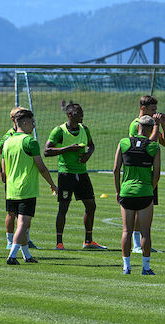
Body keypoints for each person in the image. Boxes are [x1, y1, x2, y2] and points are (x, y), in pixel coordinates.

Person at [44, 103, 105, 250]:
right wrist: (68, 149)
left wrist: (88, 155)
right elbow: (46, 151)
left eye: (82, 113)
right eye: (79, 113)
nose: (82, 116)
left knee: (91, 205)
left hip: (82, 173)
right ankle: (59, 243)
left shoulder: (84, 129)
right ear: (70, 115)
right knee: (63, 207)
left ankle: (88, 241)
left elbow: (91, 145)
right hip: (66, 174)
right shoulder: (59, 131)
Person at [4, 109, 57, 265]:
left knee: (20, 222)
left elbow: (5, 164)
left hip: (11, 188)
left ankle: (26, 255)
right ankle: (12, 255)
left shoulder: (8, 141)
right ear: (25, 123)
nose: (34, 126)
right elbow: (41, 167)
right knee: (23, 224)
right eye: (32, 123)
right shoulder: (30, 142)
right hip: (26, 188)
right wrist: (53, 184)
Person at [113, 115, 161, 275]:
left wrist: (118, 190)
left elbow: (115, 170)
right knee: (145, 232)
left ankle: (126, 267)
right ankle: (146, 268)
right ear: (150, 129)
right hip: (145, 192)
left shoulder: (124, 142)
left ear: (138, 126)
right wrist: (149, 188)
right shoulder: (154, 147)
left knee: (126, 231)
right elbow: (157, 174)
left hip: (126, 192)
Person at [0, 106, 38, 250]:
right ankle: (10, 241)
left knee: (24, 215)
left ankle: (25, 240)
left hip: (23, 179)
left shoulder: (25, 136)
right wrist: (2, 173)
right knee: (12, 213)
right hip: (14, 180)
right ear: (14, 119)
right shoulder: (9, 136)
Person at [128, 95, 165, 253]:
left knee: (147, 209)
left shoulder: (153, 124)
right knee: (139, 209)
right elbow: (147, 145)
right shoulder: (136, 124)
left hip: (149, 171)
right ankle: (137, 245)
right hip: (139, 172)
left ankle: (143, 243)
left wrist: (163, 126)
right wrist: (156, 126)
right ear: (143, 109)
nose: (155, 113)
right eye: (152, 110)